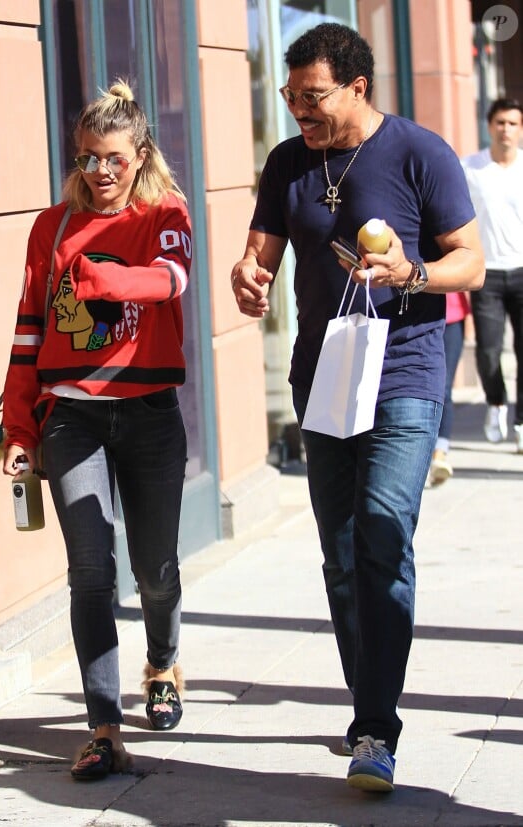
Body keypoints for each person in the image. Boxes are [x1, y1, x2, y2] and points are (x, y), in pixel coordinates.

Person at [231, 23, 484, 793]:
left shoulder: (418, 152)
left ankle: (376, 724)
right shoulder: (286, 163)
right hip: (324, 375)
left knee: (381, 533)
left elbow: (469, 261)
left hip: (406, 367)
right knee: (341, 557)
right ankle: (368, 706)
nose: (299, 113)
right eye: (290, 97)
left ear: (356, 87)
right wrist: (249, 277)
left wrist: (412, 272)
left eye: (312, 98)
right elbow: (260, 252)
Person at [2, 80, 192, 781]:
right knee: (90, 567)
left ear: (140, 155)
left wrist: (107, 285)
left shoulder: (165, 212)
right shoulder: (50, 228)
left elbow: (172, 278)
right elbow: (29, 332)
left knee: (156, 570)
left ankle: (164, 659)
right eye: (87, 158)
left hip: (148, 413)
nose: (100, 172)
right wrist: (21, 425)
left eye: (113, 158)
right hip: (72, 414)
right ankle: (104, 727)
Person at [461, 99, 523, 451]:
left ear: (520, 128)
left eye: (513, 123)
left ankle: (521, 421)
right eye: (500, 122)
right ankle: (497, 402)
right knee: (487, 352)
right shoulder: (470, 168)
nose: (506, 130)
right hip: (487, 275)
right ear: (489, 126)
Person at [428, 291, 472, 486]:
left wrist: (470, 320)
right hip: (412, 315)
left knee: (444, 388)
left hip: (453, 316)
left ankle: (439, 455)